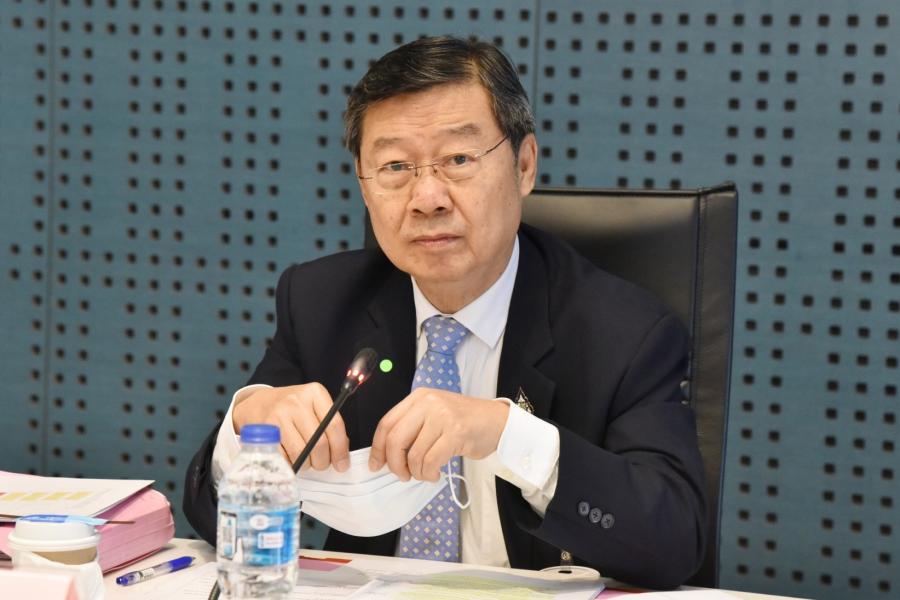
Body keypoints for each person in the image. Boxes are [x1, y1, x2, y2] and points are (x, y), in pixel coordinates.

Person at [184, 35, 706, 589]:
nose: (427, 197)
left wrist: (506, 434)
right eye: (395, 166)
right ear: (364, 184)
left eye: (458, 159)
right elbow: (209, 515)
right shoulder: (320, 301)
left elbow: (675, 540)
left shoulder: (624, 331)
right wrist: (247, 428)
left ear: (524, 165)